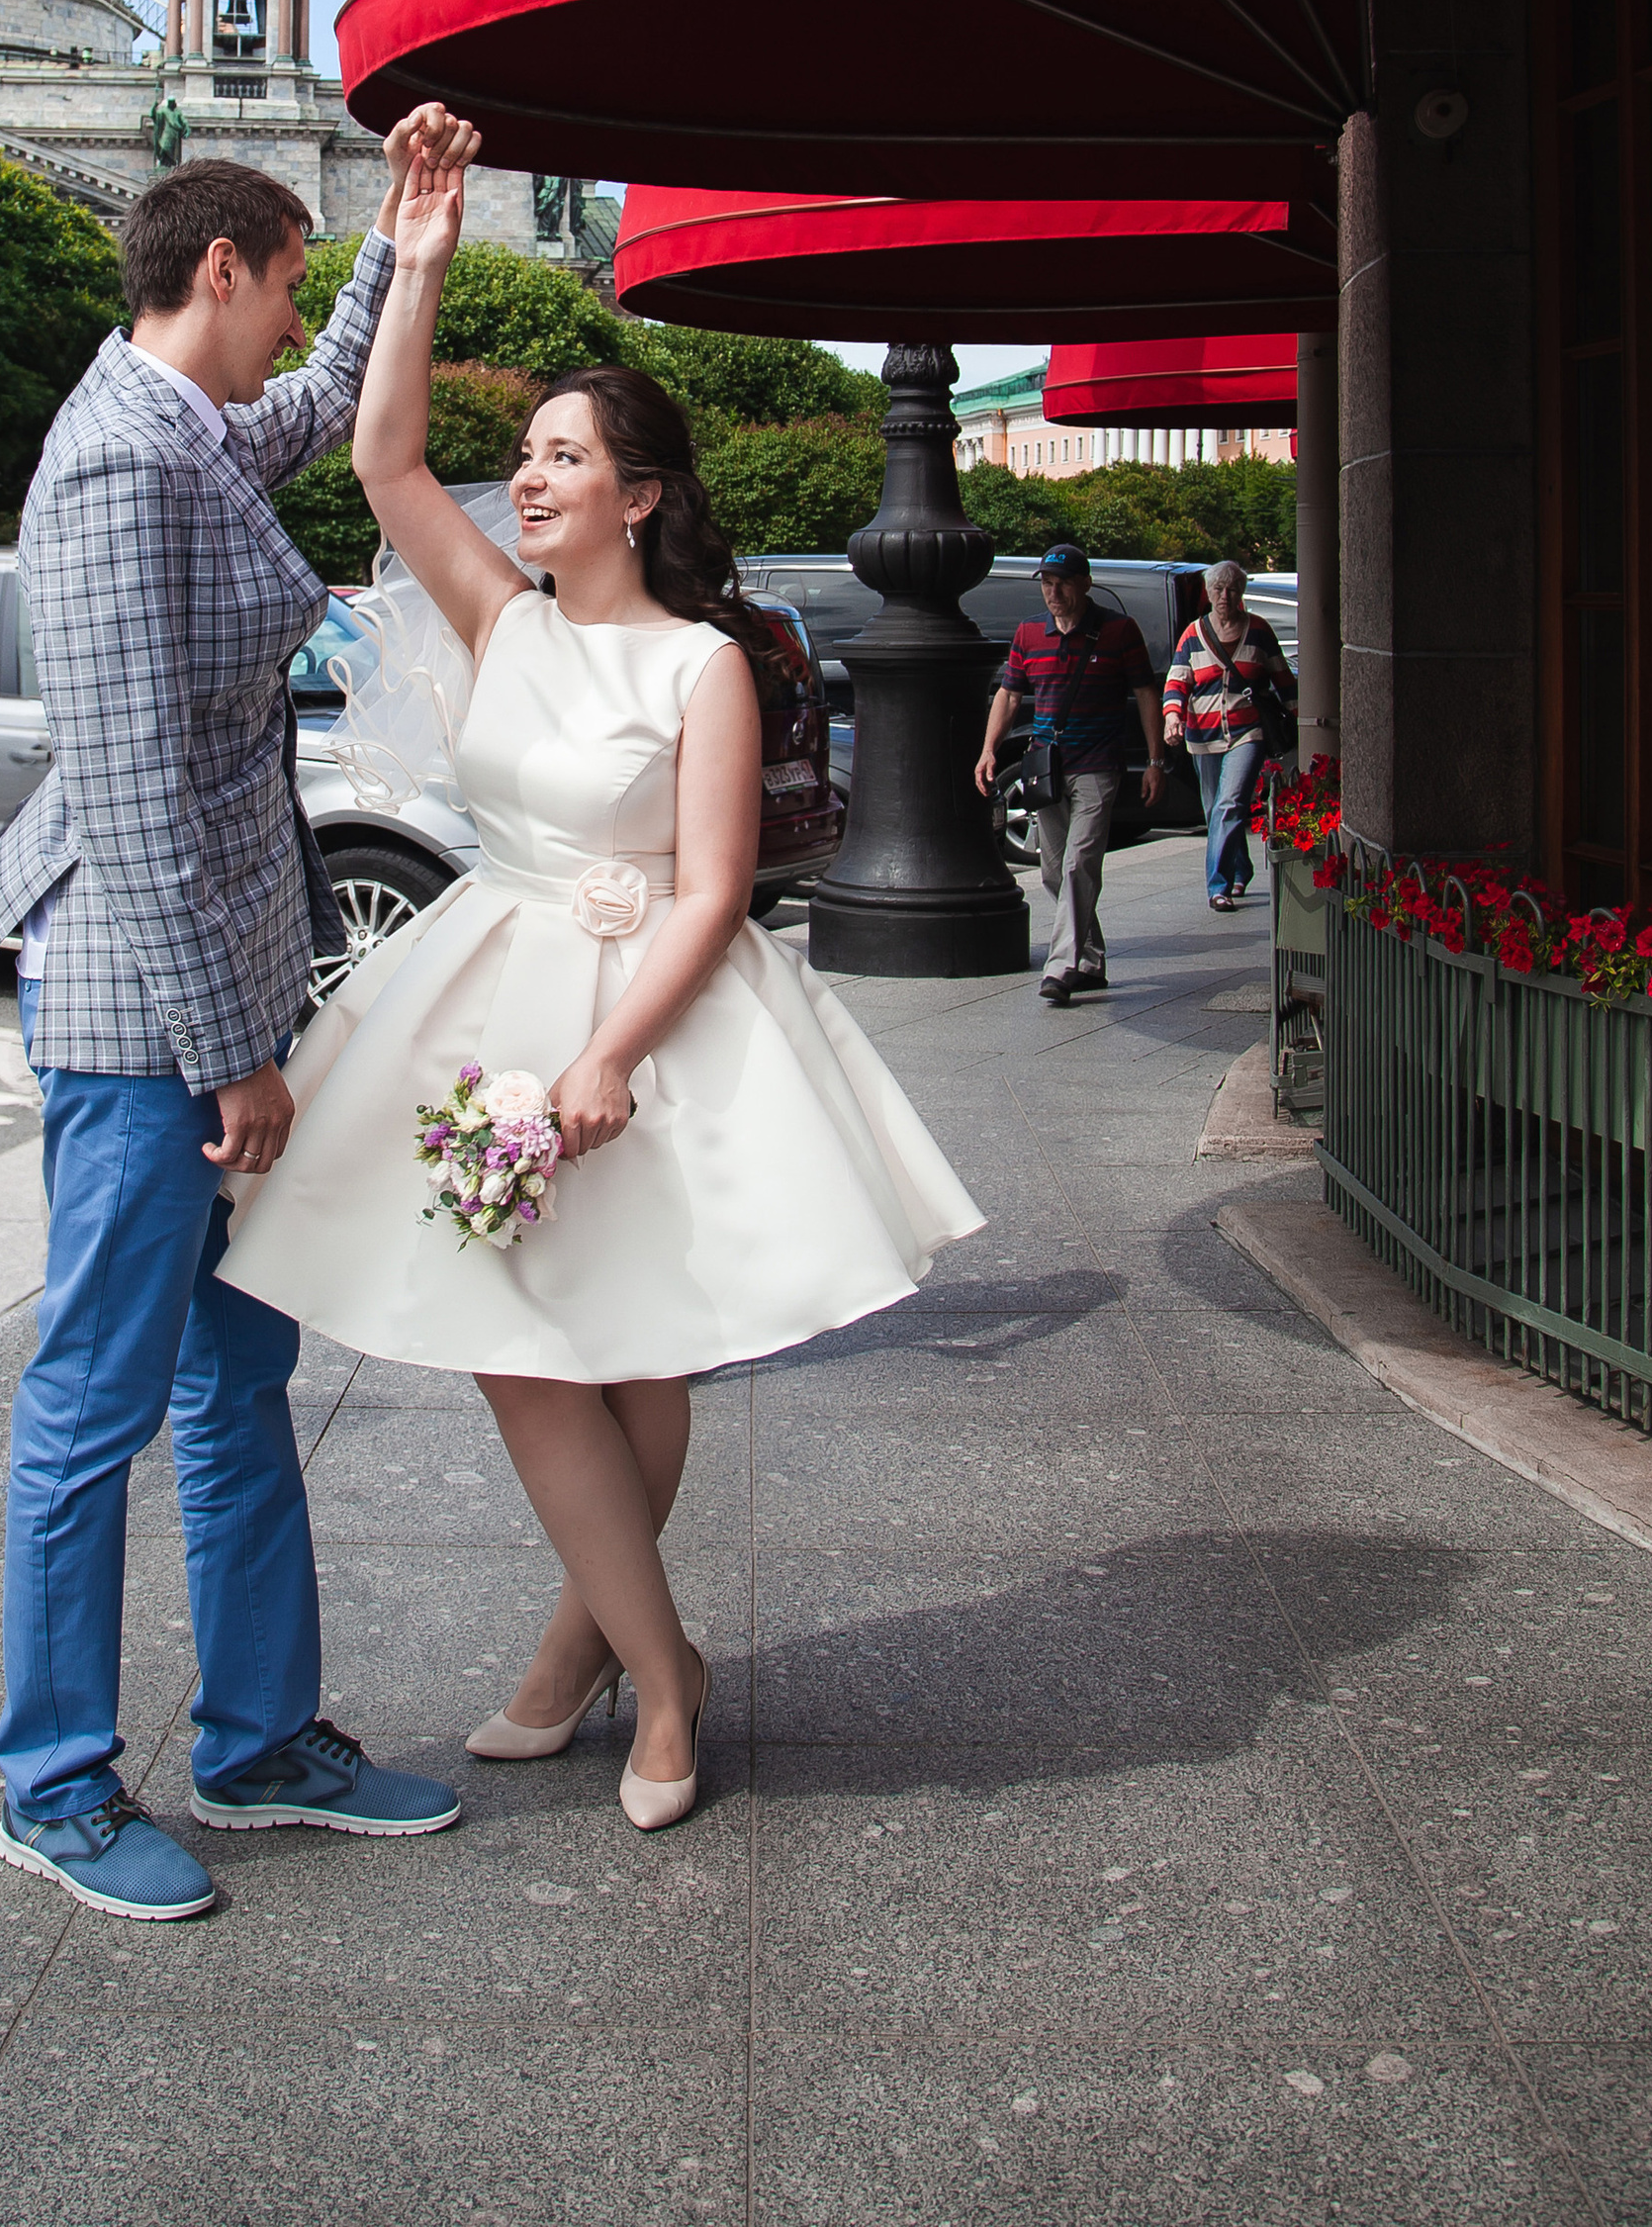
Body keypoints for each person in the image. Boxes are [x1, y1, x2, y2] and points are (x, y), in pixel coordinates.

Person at [220, 137, 980, 1835]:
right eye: (530, 456)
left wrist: (617, 1053)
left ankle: (597, 1664)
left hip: (650, 1013)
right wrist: (409, 260)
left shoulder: (702, 662)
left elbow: (718, 887)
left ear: (639, 494)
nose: (532, 479)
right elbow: (387, 457)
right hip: (487, 983)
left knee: (639, 1355)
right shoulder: (503, 619)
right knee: (521, 1348)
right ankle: (664, 1666)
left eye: (565, 457)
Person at [0, 118, 481, 1926]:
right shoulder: (112, 466)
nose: (296, 319)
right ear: (219, 270)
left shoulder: (182, 431)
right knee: (94, 1401)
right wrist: (230, 1056)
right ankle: (54, 1782)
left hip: (219, 991)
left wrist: (405, 247)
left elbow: (318, 407)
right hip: (136, 1014)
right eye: (294, 279)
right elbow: (136, 791)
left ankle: (256, 1741)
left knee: (237, 1378)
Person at [974, 547, 1164, 1007]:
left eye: (1062, 582)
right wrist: (988, 750)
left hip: (1098, 765)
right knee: (1055, 870)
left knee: (1080, 863)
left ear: (1085, 583)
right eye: (1046, 583)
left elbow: (1144, 693)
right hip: (1047, 767)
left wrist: (1156, 760)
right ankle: (1091, 961)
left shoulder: (1118, 631)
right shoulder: (1029, 633)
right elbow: (1009, 695)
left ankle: (1060, 965)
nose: (1053, 592)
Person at [1161, 556, 1295, 911]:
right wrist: (1172, 716)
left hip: (1247, 731)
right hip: (1202, 734)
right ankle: (1241, 869)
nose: (1225, 595)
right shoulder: (1193, 634)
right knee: (1214, 809)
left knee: (1230, 803)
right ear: (1208, 592)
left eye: (1232, 588)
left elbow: (1284, 680)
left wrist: (1301, 718)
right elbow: (1177, 681)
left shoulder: (1260, 631)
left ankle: (1217, 886)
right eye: (1218, 588)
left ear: (1241, 593)